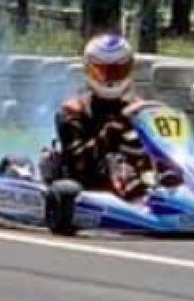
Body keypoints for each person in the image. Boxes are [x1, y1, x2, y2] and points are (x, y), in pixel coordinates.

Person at [54, 32, 141, 191]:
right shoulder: (74, 111)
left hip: (136, 182)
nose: (110, 79)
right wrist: (104, 138)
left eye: (117, 72)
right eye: (102, 72)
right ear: (88, 70)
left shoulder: (138, 109)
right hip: (89, 186)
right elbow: (76, 163)